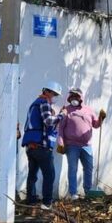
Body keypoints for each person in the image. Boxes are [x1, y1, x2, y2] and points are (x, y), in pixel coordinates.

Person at [21, 81, 65, 209]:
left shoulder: (34, 104)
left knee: (32, 175)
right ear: (48, 92)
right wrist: (62, 115)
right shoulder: (44, 102)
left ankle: (31, 200)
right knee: (49, 175)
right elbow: (48, 121)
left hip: (30, 146)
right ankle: (47, 203)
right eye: (55, 94)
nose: (55, 97)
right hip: (41, 147)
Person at [56, 88, 106, 199]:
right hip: (72, 145)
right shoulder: (66, 110)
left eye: (76, 96)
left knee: (88, 168)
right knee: (72, 168)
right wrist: (60, 142)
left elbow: (96, 125)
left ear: (81, 98)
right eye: (72, 96)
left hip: (87, 146)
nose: (74, 98)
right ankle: (73, 193)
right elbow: (60, 128)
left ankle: (88, 191)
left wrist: (101, 118)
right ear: (69, 98)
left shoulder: (88, 110)